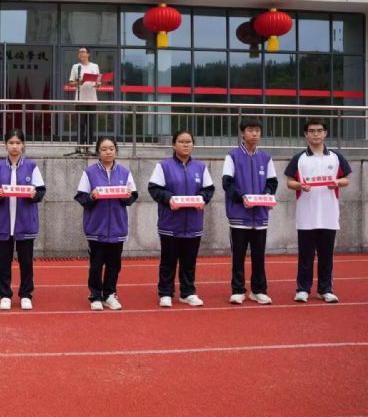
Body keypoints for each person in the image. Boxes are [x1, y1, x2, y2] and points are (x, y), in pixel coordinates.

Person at [285, 119, 352, 304]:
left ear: (325, 133)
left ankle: (325, 290)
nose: (316, 134)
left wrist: (337, 182)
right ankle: (302, 289)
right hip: (306, 215)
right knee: (305, 256)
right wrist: (299, 185)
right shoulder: (299, 158)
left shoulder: (336, 157)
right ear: (306, 134)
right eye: (312, 131)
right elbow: (289, 182)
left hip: (329, 214)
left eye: (320, 130)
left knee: (326, 255)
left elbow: (346, 179)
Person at [148, 131, 215, 308]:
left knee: (189, 261)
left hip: (193, 223)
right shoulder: (163, 166)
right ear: (173, 145)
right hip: (170, 223)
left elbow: (209, 189)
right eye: (181, 141)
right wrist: (169, 198)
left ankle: (188, 292)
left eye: (189, 142)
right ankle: (165, 293)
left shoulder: (200, 167)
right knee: (168, 261)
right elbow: (154, 189)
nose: (185, 145)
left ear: (193, 145)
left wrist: (202, 198)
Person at [0, 129, 46, 311]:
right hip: (3, 222)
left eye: (18, 143)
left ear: (23, 145)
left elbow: (41, 190)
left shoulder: (31, 166)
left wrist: (34, 194)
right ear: (5, 145)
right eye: (11, 143)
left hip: (25, 222)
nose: (14, 146)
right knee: (4, 262)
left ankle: (26, 294)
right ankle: (5, 295)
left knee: (26, 262)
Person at [74, 136, 138, 311]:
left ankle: (110, 294)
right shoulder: (89, 173)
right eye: (104, 149)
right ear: (98, 152)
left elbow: (133, 196)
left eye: (111, 148)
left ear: (116, 150)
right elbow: (81, 197)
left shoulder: (124, 172)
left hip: (117, 226)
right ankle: (95, 296)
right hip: (96, 227)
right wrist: (92, 196)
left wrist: (127, 196)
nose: (108, 152)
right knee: (96, 264)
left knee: (114, 264)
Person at [222, 117, 278, 305]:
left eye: (257, 131)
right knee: (238, 256)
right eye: (250, 130)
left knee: (259, 256)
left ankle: (258, 290)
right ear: (242, 133)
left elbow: (272, 182)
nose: (254, 134)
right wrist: (242, 197)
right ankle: (238, 290)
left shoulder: (266, 158)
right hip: (239, 215)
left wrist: (267, 195)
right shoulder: (232, 156)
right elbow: (227, 183)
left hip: (260, 216)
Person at [68, 47, 101, 153]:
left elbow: (98, 82)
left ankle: (88, 146)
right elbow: (71, 83)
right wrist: (79, 82)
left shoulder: (95, 66)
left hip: (92, 99)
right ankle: (79, 145)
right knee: (80, 124)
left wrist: (98, 84)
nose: (80, 54)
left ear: (88, 54)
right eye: (79, 52)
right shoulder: (76, 67)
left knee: (90, 124)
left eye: (83, 52)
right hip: (80, 99)